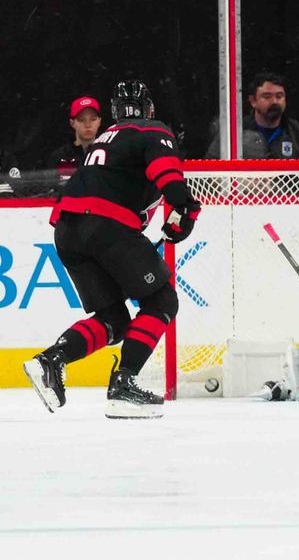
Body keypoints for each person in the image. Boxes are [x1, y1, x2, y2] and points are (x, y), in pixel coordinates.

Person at [22, 79, 202, 419]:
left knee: (114, 319)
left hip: (67, 229)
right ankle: (124, 384)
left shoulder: (103, 141)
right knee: (162, 300)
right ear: (149, 109)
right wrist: (188, 209)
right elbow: (167, 173)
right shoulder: (153, 130)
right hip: (106, 225)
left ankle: (50, 360)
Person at [205, 71, 299, 159]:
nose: (275, 101)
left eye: (279, 96)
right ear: (253, 101)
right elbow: (208, 174)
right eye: (267, 96)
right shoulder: (234, 133)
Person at [42, 96, 103, 192]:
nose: (88, 125)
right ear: (72, 123)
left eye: (93, 119)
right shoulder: (58, 156)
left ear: (99, 121)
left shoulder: (109, 154)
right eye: (82, 120)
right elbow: (50, 191)